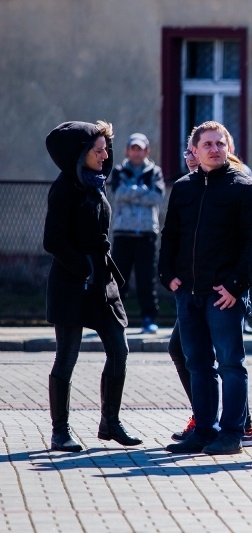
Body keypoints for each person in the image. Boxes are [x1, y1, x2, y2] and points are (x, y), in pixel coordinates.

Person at [159, 121, 252, 455]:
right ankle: (203, 430)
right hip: (187, 294)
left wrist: (236, 285)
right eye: (208, 144)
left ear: (229, 147)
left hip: (224, 296)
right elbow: (170, 234)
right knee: (198, 364)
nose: (215, 149)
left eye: (221, 143)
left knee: (231, 364)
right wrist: (167, 274)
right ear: (196, 150)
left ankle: (232, 432)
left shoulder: (244, 187)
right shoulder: (184, 187)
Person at [43, 120, 143, 452]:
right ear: (80, 153)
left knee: (119, 349)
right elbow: (52, 240)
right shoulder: (64, 188)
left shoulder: (96, 183)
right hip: (72, 283)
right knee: (66, 357)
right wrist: (83, 267)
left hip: (102, 281)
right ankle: (60, 431)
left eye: (105, 150)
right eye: (97, 150)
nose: (104, 156)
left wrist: (96, 270)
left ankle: (110, 423)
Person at [108, 133, 165, 334]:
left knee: (146, 280)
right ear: (127, 150)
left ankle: (149, 318)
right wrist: (141, 191)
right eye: (133, 148)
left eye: (140, 148)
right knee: (117, 279)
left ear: (147, 151)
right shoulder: (119, 171)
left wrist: (131, 192)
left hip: (146, 234)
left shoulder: (155, 172)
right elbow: (119, 194)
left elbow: (157, 197)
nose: (136, 152)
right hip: (123, 233)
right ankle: (114, 318)